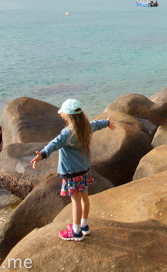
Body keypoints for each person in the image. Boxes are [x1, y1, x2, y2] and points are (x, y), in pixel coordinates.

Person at [30, 98, 115, 241]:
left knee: (75, 200)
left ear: (66, 117)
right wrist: (106, 123)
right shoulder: (86, 127)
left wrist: (42, 155)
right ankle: (84, 226)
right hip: (84, 170)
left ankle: (76, 232)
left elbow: (53, 144)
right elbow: (96, 125)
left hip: (72, 173)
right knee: (84, 198)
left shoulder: (67, 133)